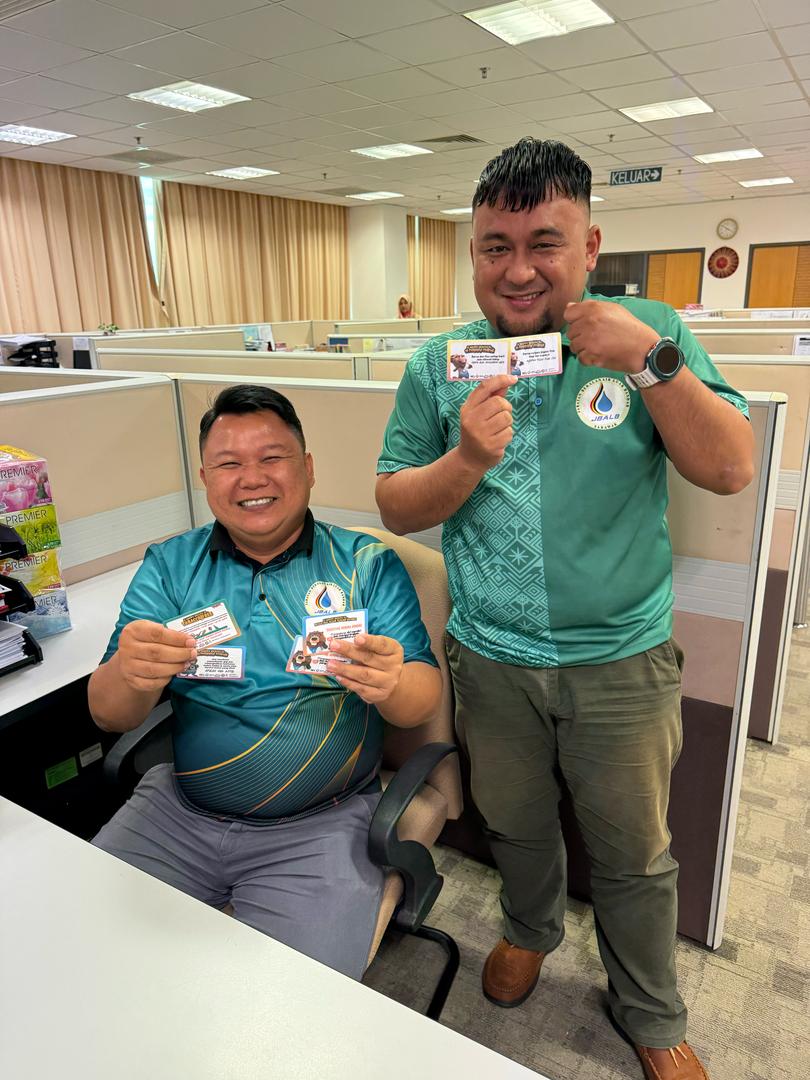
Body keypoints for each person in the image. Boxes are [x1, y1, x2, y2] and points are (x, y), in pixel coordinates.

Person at [375, 138, 753, 1080]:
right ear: (473, 253)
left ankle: (650, 1010)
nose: (518, 269)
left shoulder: (649, 331)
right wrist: (466, 459)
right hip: (490, 659)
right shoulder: (441, 364)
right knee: (515, 823)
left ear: (589, 246)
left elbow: (730, 467)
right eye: (494, 246)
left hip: (621, 660)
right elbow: (395, 503)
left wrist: (650, 363)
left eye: (544, 242)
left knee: (635, 852)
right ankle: (529, 929)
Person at [89, 384, 442, 980]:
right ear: (205, 478)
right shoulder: (170, 565)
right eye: (229, 463)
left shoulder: (365, 564)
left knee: (290, 1005)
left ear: (308, 468)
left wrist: (392, 684)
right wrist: (130, 673)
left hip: (321, 825)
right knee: (82, 953)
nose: (251, 478)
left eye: (272, 458)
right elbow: (108, 714)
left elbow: (420, 704)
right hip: (178, 814)